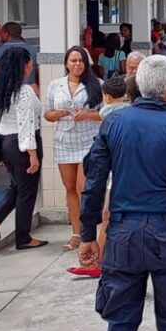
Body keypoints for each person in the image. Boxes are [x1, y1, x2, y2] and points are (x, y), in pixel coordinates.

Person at [78, 54, 166, 331]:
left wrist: (88, 233)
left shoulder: (114, 123)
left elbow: (94, 183)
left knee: (119, 329)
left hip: (122, 236)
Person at [67, 75, 132, 278]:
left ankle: (98, 261)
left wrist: (85, 115)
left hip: (114, 171)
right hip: (121, 169)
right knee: (108, 215)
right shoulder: (129, 112)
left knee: (108, 215)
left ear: (106, 95)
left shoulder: (108, 113)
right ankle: (99, 260)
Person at [0, 47, 45, 249]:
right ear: (22, 66)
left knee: (17, 186)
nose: (31, 66)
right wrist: (33, 155)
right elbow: (26, 124)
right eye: (29, 62)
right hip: (23, 145)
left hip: (6, 142)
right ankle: (24, 238)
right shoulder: (24, 91)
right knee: (27, 191)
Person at [44, 46, 103, 252]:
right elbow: (47, 114)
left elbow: (105, 114)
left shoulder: (96, 85)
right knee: (69, 188)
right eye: (73, 60)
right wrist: (58, 114)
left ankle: (88, 233)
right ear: (66, 63)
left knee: (82, 187)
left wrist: (87, 115)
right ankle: (76, 233)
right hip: (64, 140)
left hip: (87, 141)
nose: (77, 64)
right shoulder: (55, 85)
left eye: (80, 60)